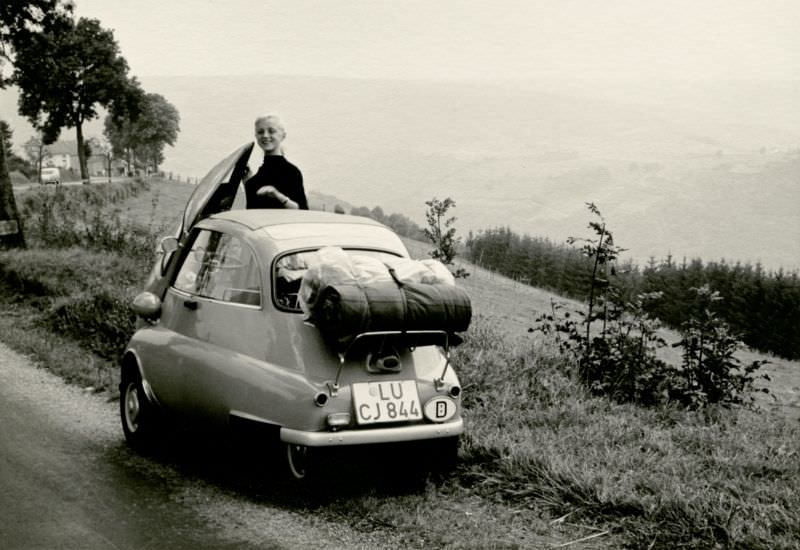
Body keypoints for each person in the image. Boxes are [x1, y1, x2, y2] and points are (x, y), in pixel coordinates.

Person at [244, 114, 309, 210]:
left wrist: (277, 195)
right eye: (260, 132)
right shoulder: (255, 179)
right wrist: (248, 182)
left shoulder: (291, 172)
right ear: (256, 136)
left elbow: (302, 211)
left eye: (271, 131)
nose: (265, 135)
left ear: (283, 135)